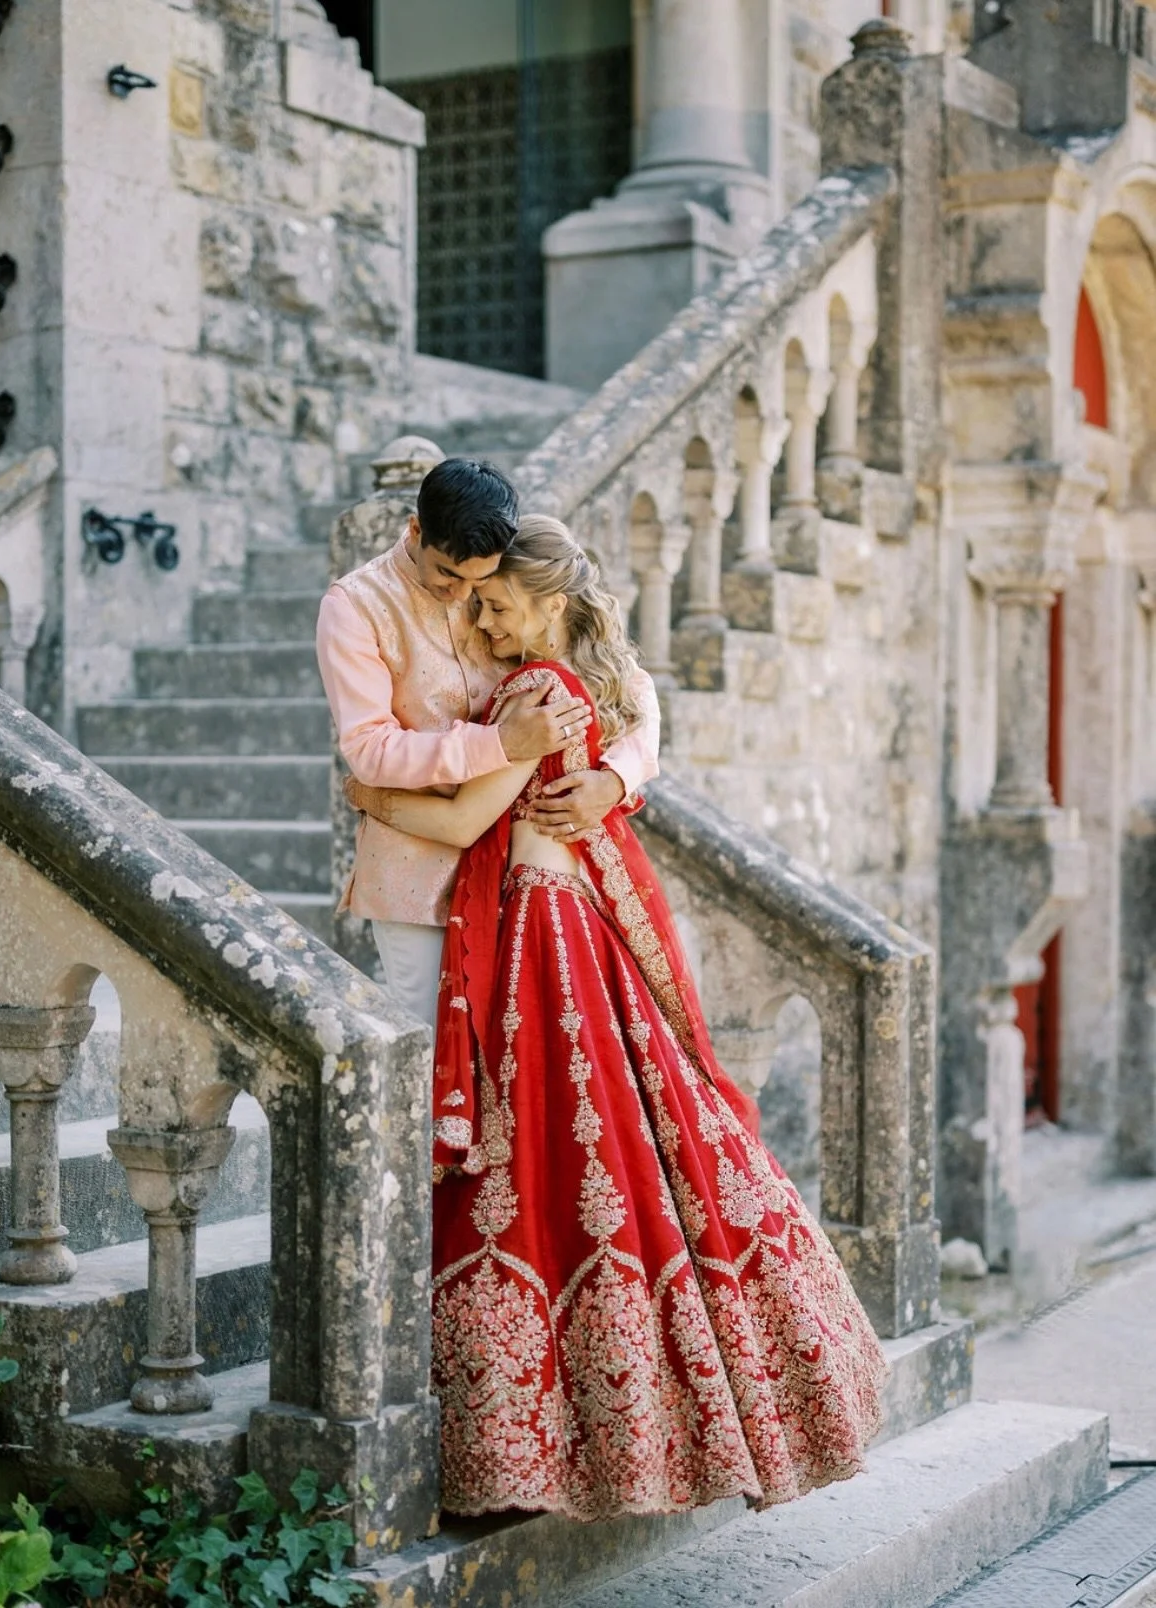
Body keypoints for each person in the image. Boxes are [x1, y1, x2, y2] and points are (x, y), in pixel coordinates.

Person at [350, 516, 887, 1523]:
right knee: (612, 1156)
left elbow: (469, 818)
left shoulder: (540, 690)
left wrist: (368, 798)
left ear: (550, 601)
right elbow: (624, 714)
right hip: (570, 923)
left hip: (544, 937)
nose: (485, 616)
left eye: (501, 602)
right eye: (478, 600)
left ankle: (538, 1442)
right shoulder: (570, 679)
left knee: (553, 1162)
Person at [316, 457, 660, 1028]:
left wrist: (617, 777)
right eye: (449, 576)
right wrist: (500, 743)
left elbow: (628, 681)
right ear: (415, 531)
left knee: (506, 1064)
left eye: (481, 585)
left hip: (513, 871)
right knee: (433, 1049)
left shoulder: (495, 571)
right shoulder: (354, 608)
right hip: (416, 868)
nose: (465, 597)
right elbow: (371, 750)